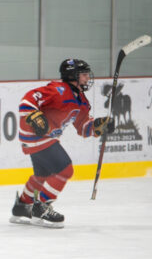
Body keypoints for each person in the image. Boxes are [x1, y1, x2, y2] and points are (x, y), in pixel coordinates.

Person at [11, 59, 114, 228]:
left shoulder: (81, 100)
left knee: (42, 175)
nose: (88, 78)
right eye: (84, 74)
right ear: (72, 76)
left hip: (43, 139)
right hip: (37, 137)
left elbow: (83, 128)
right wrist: (34, 116)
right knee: (65, 170)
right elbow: (27, 101)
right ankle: (42, 207)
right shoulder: (58, 90)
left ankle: (22, 206)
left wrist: (99, 126)